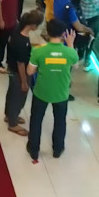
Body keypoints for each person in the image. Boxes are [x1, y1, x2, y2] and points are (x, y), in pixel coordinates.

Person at [26, 19, 78, 161]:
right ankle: (57, 149)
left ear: (47, 33)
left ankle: (34, 149)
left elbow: (30, 71)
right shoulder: (70, 53)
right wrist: (71, 44)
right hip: (61, 93)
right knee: (60, 121)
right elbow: (75, 64)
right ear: (63, 34)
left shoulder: (38, 51)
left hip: (41, 92)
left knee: (36, 120)